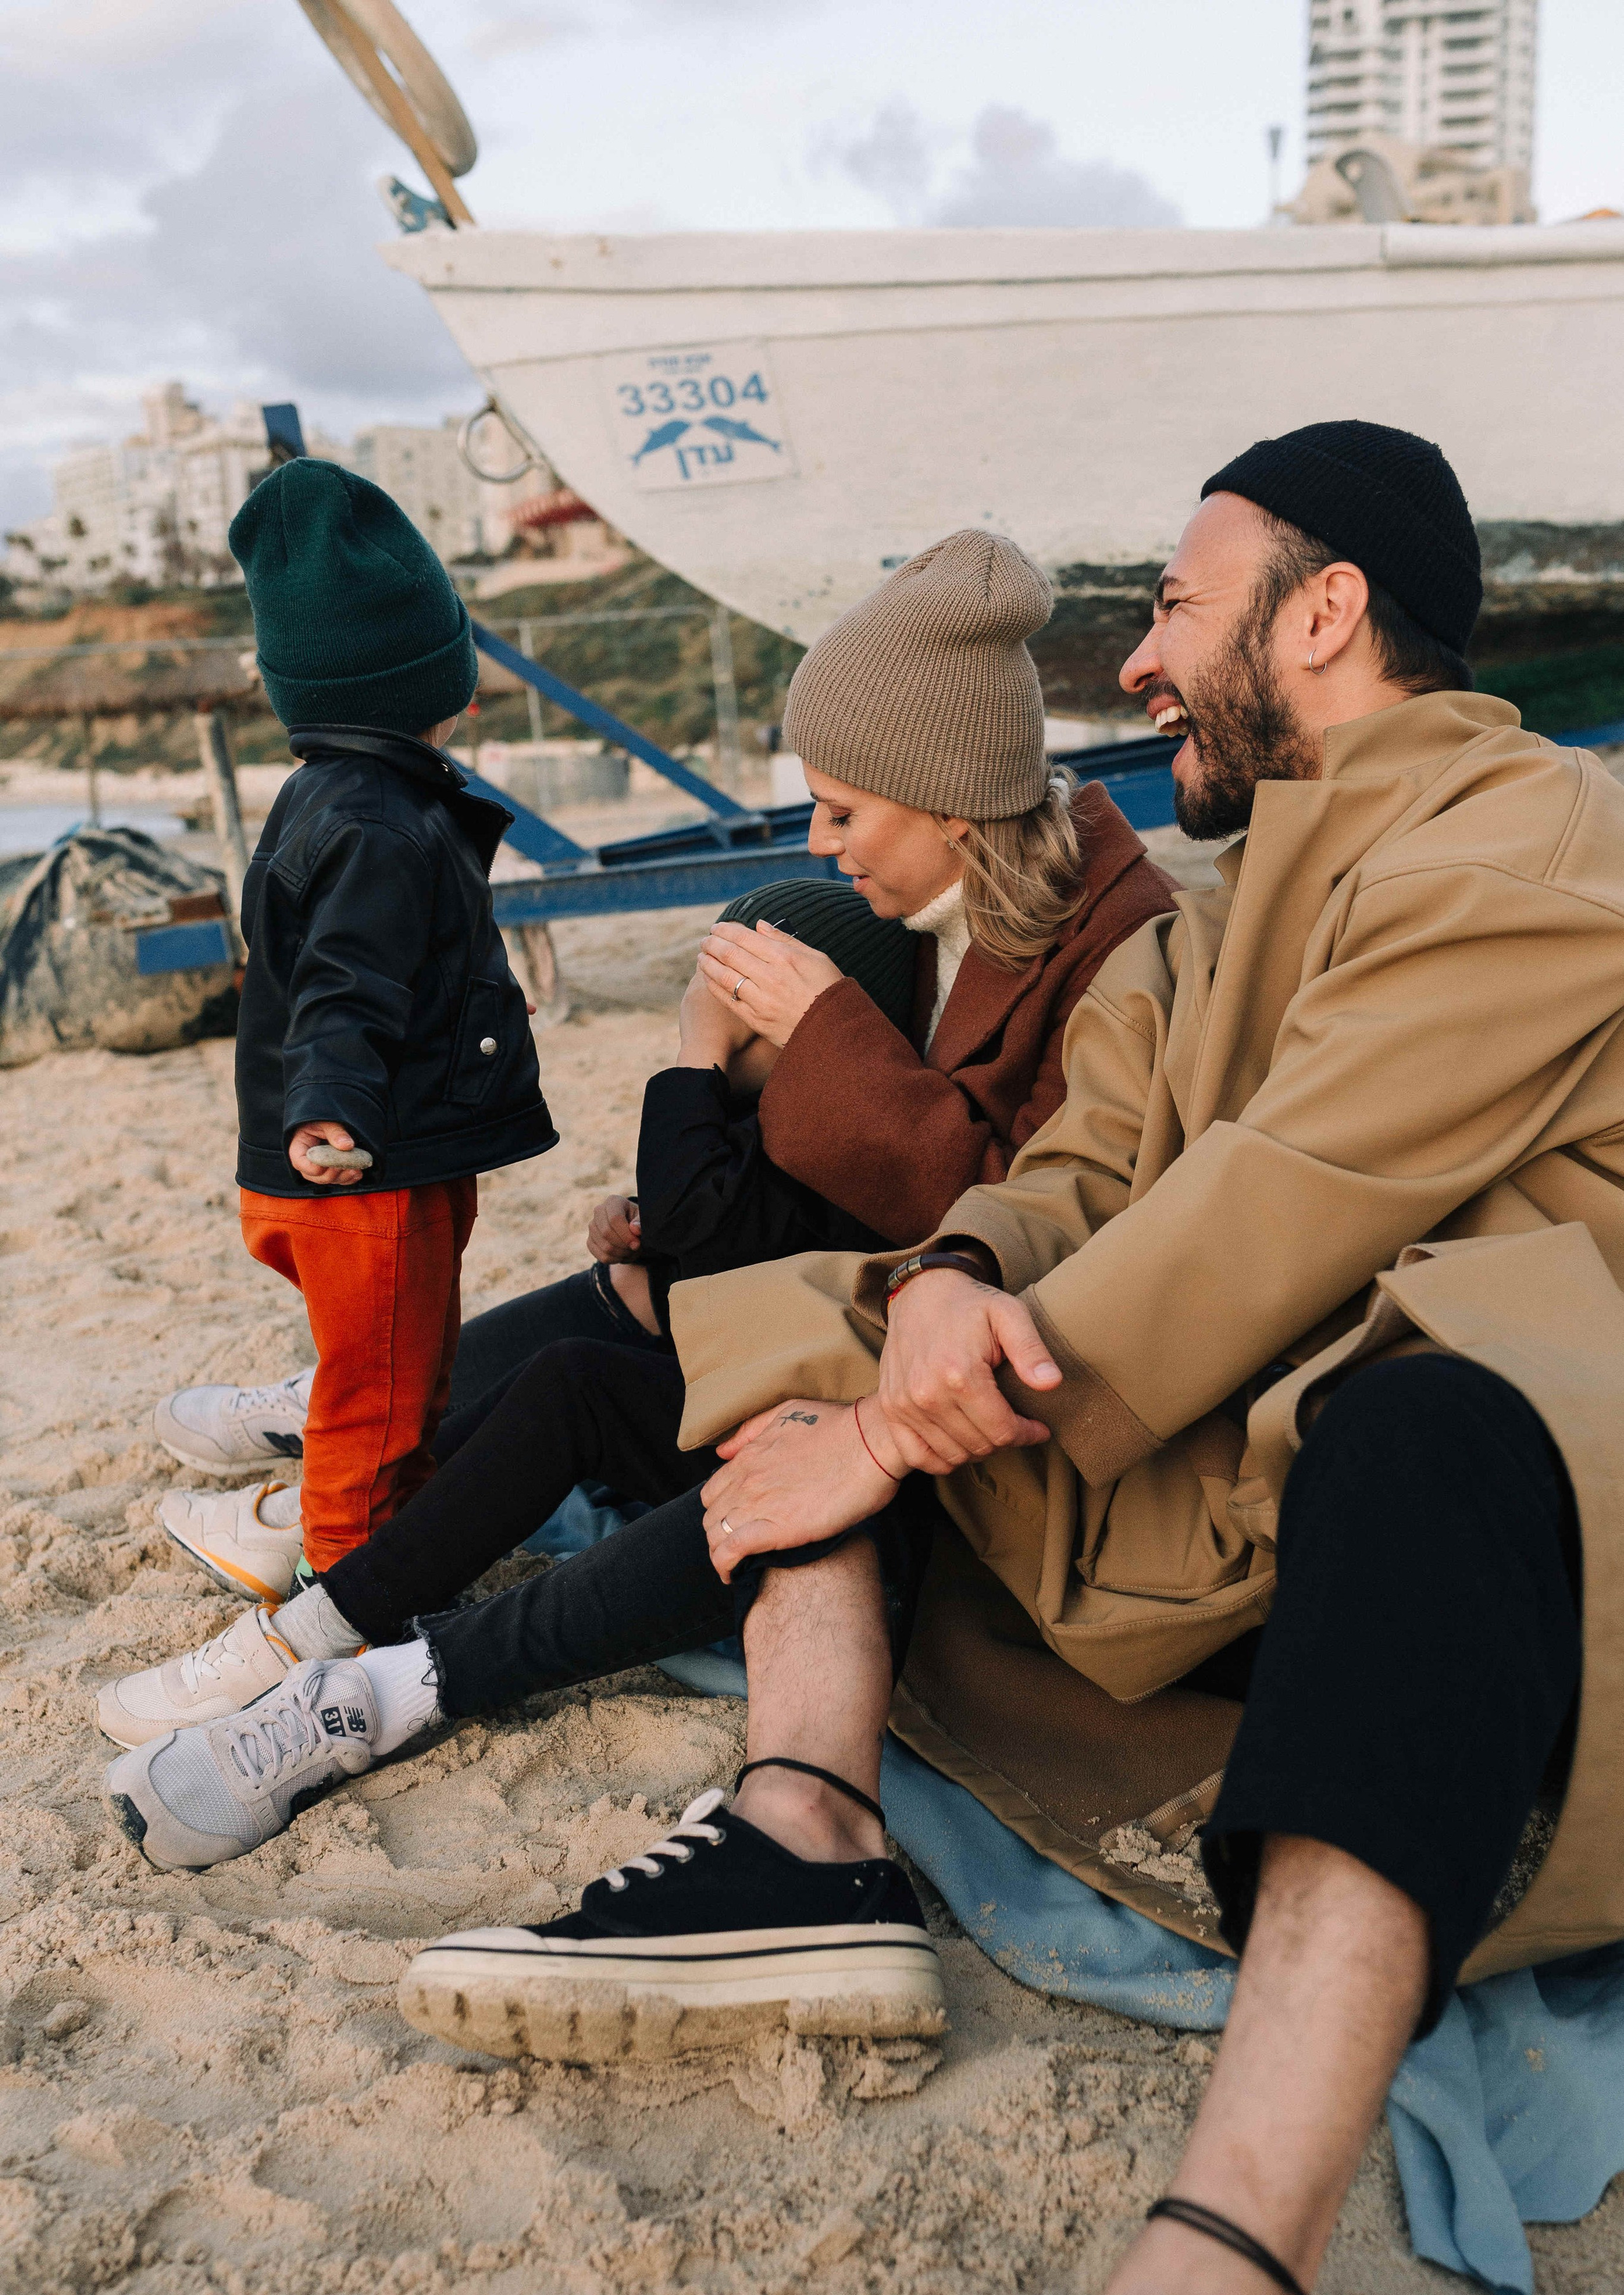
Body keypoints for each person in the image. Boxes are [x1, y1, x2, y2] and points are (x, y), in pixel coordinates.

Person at [106, 418, 1624, 2295]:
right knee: (821, 1319)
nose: (1143, 662)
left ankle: (1218, 2290)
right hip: (1201, 1435)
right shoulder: (1215, 907)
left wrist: (904, 1424)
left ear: (1326, 613)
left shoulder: (1528, 849)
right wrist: (969, 1273)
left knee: (1406, 1424)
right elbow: (1083, 1159)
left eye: (1176, 604)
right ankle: (797, 1831)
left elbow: (1286, 1195)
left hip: (1464, 1493)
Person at [107, 530, 1170, 1733]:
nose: (818, 841)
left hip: (959, 1387)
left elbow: (1023, 1208)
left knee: (611, 1329)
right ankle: (323, 1499)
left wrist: (811, 1035)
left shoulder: (1115, 950)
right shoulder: (951, 916)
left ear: (952, 801)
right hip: (849, 1309)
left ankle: (323, 1561)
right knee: (617, 1289)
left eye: (841, 808)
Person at [135, 457, 554, 1666]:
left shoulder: (344, 794)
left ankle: (393, 1541)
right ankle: (350, 1599)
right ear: (433, 679)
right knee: (374, 1399)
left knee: (405, 1376)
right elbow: (342, 986)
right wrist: (329, 1111)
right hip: (358, 1168)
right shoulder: (374, 822)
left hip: (389, 1149)